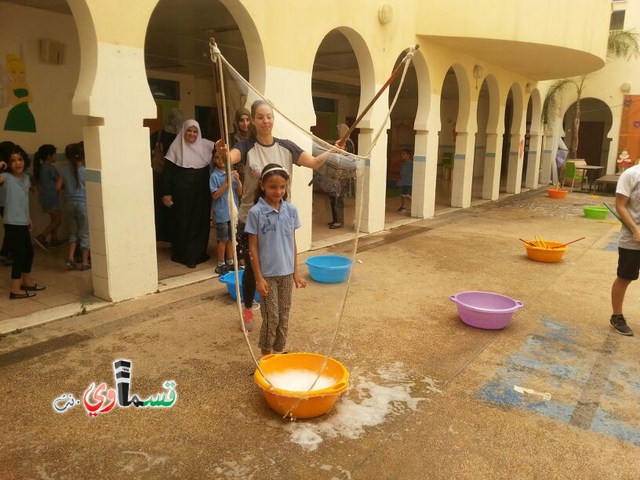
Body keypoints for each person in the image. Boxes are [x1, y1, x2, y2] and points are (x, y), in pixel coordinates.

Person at [215, 100, 333, 331]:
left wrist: (334, 149)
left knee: (281, 264)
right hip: (251, 219)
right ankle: (248, 309)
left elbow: (315, 162)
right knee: (251, 268)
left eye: (268, 116)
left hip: (281, 219)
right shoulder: (246, 145)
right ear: (253, 120)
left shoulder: (286, 147)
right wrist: (223, 154)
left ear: (273, 119)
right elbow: (231, 159)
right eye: (260, 117)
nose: (265, 121)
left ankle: (276, 312)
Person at [245, 164, 306, 350]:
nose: (278, 191)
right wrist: (259, 278)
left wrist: (296, 273)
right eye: (273, 187)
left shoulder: (291, 211)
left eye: (282, 187)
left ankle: (279, 351)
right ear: (262, 185)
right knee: (272, 317)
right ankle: (266, 355)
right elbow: (253, 248)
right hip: (268, 275)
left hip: (287, 273)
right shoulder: (256, 212)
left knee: (284, 315)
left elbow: (292, 243)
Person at [162, 119, 213, 268]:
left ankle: (197, 254)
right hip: (181, 195)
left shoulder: (205, 146)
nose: (192, 134)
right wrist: (166, 193)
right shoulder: (175, 148)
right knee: (182, 223)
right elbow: (167, 174)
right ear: (183, 131)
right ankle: (183, 255)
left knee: (200, 222)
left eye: (195, 131)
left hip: (200, 194)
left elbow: (221, 148)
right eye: (189, 131)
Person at [0, 145, 45, 299]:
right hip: (12, 222)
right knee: (19, 255)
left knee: (29, 253)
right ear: (6, 163)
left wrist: (28, 219)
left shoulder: (26, 178)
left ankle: (27, 282)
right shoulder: (5, 177)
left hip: (23, 221)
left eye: (20, 159)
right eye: (12, 160)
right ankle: (15, 289)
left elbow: (23, 201)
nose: (17, 163)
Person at [609, 162, 640, 336]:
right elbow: (620, 205)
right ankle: (617, 316)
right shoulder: (631, 174)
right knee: (625, 277)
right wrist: (635, 230)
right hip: (632, 240)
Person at [150, 108, 184, 242]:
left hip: (159, 175)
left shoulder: (157, 134)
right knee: (174, 208)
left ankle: (161, 234)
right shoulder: (179, 138)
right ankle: (171, 235)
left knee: (160, 206)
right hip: (175, 177)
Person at [56, 142, 91, 271]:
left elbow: (57, 187)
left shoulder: (64, 170)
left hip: (69, 203)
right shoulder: (86, 171)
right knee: (84, 233)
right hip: (83, 204)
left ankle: (70, 258)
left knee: (73, 232)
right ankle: (85, 262)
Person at [210, 152, 242, 275]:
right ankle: (220, 264)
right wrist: (226, 183)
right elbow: (215, 195)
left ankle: (230, 262)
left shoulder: (233, 174)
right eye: (217, 158)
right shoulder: (214, 176)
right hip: (221, 213)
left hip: (232, 213)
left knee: (231, 239)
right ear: (214, 160)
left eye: (223, 158)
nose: (220, 160)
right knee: (222, 239)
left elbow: (240, 193)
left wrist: (237, 181)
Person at [32, 144, 62, 250]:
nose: (56, 156)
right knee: (58, 220)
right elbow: (59, 182)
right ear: (49, 156)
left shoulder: (40, 168)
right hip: (51, 197)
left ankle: (54, 239)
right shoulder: (50, 168)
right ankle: (41, 236)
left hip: (44, 197)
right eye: (54, 154)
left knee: (53, 219)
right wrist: (59, 185)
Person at [325, 123, 355, 229]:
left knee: (337, 198)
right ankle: (335, 219)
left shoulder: (348, 143)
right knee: (333, 198)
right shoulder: (341, 142)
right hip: (336, 176)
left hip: (342, 177)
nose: (336, 133)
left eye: (338, 130)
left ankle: (339, 221)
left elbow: (345, 158)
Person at [4, 55, 36, 133]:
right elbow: (14, 101)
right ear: (9, 72)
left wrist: (21, 99)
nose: (18, 75)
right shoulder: (9, 85)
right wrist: (25, 99)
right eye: (14, 71)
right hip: (16, 112)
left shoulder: (25, 84)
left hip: (26, 112)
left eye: (21, 72)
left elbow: (31, 98)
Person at [397, 148, 413, 213]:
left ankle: (415, 204)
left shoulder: (411, 163)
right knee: (402, 194)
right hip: (403, 181)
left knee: (405, 194)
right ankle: (403, 206)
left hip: (408, 181)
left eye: (404, 154)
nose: (402, 155)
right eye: (402, 154)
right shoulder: (403, 163)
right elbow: (401, 172)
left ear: (408, 155)